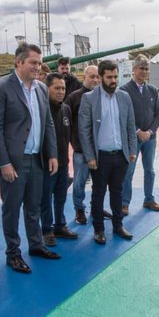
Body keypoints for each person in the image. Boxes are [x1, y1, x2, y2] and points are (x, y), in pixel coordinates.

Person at [0, 42, 60, 273]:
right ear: (18, 62)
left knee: (34, 206)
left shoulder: (39, 88)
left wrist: (52, 153)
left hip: (36, 158)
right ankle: (13, 253)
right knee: (12, 208)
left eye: (40, 63)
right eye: (33, 63)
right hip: (13, 163)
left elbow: (47, 122)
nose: (38, 67)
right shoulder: (0, 88)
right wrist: (4, 163)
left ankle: (36, 245)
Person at [77, 59, 137, 244]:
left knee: (117, 192)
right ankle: (99, 230)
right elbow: (84, 130)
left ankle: (118, 226)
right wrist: (90, 157)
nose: (113, 80)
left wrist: (132, 150)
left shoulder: (124, 97)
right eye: (109, 77)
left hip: (120, 155)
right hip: (100, 157)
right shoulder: (89, 98)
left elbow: (130, 125)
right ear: (101, 77)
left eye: (116, 77)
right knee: (98, 193)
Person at [120, 56, 159, 215]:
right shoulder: (124, 90)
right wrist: (138, 132)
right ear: (134, 69)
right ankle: (124, 203)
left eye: (146, 69)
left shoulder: (152, 90)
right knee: (128, 172)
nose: (144, 71)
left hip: (150, 139)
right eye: (141, 68)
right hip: (133, 140)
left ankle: (149, 199)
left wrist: (150, 132)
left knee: (150, 170)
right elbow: (123, 116)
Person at [40, 72, 76, 244]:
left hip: (63, 163)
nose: (61, 91)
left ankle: (60, 225)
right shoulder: (41, 110)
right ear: (47, 89)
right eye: (57, 88)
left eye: (63, 88)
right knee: (45, 199)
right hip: (46, 165)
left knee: (61, 197)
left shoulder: (66, 109)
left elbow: (68, 136)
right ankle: (47, 230)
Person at [66, 64, 99, 226]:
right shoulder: (74, 97)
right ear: (83, 77)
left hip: (100, 149)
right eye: (91, 76)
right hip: (81, 150)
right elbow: (67, 122)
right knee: (79, 182)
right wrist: (74, 143)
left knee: (99, 182)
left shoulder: (102, 96)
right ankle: (79, 208)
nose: (94, 79)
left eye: (97, 76)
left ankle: (96, 207)